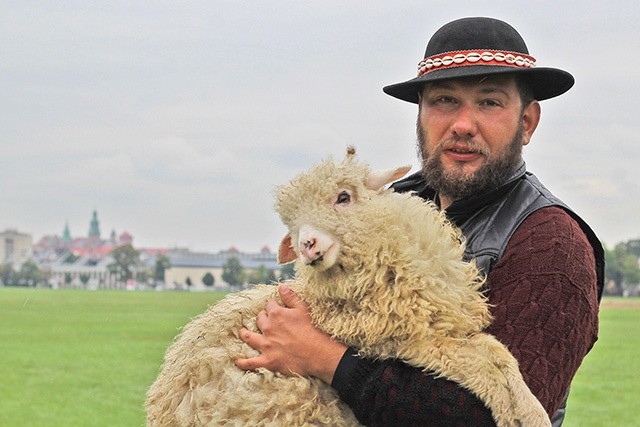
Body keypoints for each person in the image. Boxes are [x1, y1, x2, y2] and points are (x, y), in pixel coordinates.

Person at [235, 17, 604, 426]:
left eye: (489, 102)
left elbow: (486, 420)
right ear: (420, 117)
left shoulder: (551, 245)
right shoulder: (383, 211)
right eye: (444, 100)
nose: (462, 124)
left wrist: (328, 360)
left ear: (528, 123)